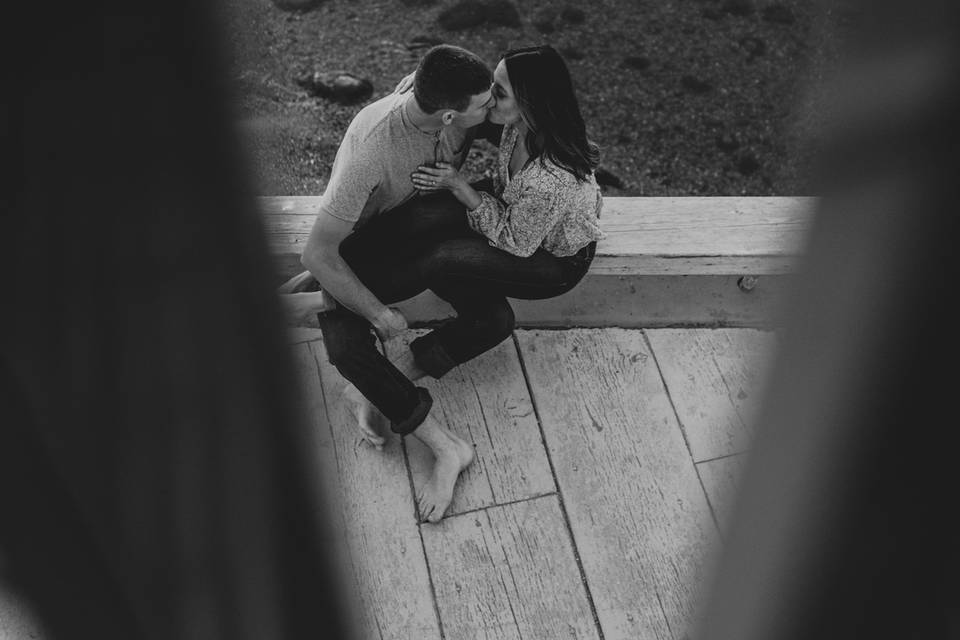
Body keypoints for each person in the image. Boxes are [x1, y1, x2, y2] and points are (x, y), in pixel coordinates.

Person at [287, 44, 604, 523]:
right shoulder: (488, 120)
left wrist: (460, 187)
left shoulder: (544, 172)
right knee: (491, 317)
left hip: (545, 261)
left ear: (528, 105)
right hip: (501, 214)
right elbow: (431, 96)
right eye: (490, 92)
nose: (491, 102)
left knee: (439, 260)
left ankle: (330, 309)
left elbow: (518, 241)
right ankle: (355, 341)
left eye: (498, 93)